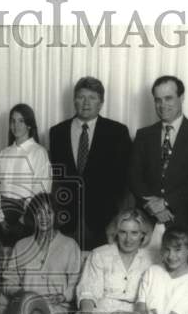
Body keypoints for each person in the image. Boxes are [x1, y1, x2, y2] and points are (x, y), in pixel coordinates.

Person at [48, 76, 132, 250]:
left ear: (101, 103)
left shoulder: (117, 132)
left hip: (104, 222)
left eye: (92, 98)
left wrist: (117, 219)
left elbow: (124, 181)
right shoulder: (57, 132)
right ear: (74, 100)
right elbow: (55, 180)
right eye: (81, 97)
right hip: (66, 221)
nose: (86, 103)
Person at [128, 75, 188, 237]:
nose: (162, 105)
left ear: (181, 98)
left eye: (168, 98)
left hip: (184, 221)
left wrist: (166, 202)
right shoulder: (143, 135)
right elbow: (134, 177)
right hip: (146, 222)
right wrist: (151, 206)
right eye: (158, 100)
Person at [0, 103, 52, 246]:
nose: (15, 125)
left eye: (21, 121)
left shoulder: (38, 152)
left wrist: (24, 218)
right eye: (12, 121)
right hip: (2, 213)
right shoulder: (3, 154)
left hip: (26, 214)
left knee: (22, 256)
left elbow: (41, 188)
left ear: (29, 125)